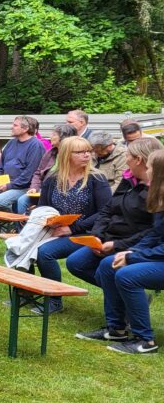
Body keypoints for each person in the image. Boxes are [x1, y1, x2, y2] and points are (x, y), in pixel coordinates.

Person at [75, 147, 164, 354]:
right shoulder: (159, 196)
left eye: (150, 167)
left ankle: (145, 341)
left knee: (127, 275)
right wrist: (130, 251)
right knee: (109, 264)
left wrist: (134, 256)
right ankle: (116, 328)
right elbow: (155, 234)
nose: (147, 172)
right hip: (155, 253)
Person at [25, 135, 111, 314]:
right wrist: (47, 221)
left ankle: (54, 301)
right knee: (25, 247)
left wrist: (72, 228)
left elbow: (105, 212)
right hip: (57, 229)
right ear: (66, 155)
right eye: (80, 152)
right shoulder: (53, 178)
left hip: (86, 232)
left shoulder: (97, 178)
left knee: (45, 253)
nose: (86, 155)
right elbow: (44, 206)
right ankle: (25, 294)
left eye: (88, 151)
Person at [67, 137, 163, 287]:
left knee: (108, 267)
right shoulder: (129, 179)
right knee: (75, 263)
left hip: (132, 242)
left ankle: (123, 294)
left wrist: (117, 245)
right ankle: (121, 294)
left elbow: (153, 231)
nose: (125, 158)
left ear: (138, 159)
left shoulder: (156, 192)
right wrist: (97, 237)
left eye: (128, 155)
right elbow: (107, 209)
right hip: (109, 238)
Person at [0, 115, 47, 212]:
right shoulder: (11, 143)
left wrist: (8, 186)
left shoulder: (36, 145)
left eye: (15, 125)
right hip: (6, 183)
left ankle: (15, 223)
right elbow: (1, 165)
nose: (11, 127)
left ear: (25, 129)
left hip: (24, 187)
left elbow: (30, 173)